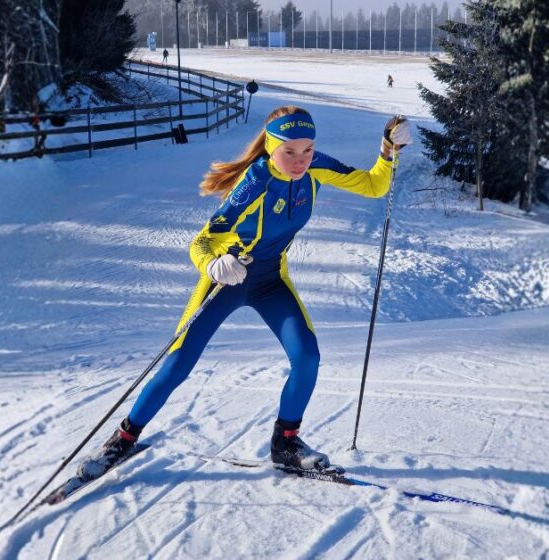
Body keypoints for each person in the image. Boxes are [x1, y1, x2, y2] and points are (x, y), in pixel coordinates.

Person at [78, 106, 412, 479]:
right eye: (290, 151)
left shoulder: (316, 166)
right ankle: (123, 440)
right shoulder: (255, 182)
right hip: (227, 279)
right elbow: (202, 241)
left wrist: (387, 149)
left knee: (307, 358)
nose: (301, 160)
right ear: (271, 146)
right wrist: (213, 264)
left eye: (307, 149)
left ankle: (286, 444)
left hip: (271, 280)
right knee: (178, 364)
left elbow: (373, 185)